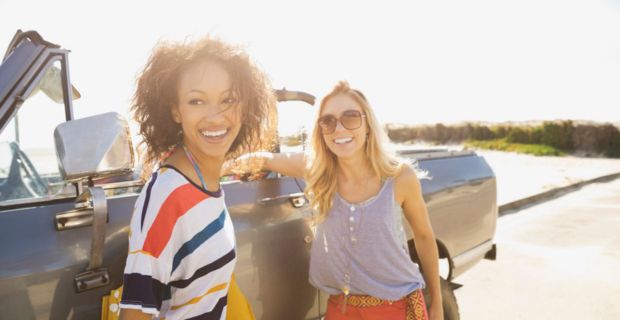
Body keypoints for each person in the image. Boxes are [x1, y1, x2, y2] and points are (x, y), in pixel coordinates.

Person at [232, 81, 443, 319]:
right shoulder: (318, 170)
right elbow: (264, 159)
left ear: (368, 125)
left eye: (350, 117)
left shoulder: (398, 177)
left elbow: (424, 236)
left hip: (394, 307)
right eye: (328, 121)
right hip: (340, 308)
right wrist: (214, 169)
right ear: (320, 130)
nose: (339, 129)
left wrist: (437, 303)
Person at [118, 36, 276, 320]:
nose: (215, 116)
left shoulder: (204, 179)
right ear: (176, 111)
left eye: (228, 99)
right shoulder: (169, 195)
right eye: (197, 101)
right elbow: (134, 314)